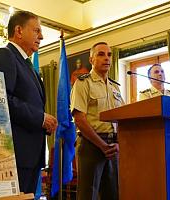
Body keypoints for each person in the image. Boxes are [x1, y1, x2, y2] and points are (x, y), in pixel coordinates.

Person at [0, 11, 58, 194]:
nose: (41, 36)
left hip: (30, 155)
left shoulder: (28, 65)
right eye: (36, 31)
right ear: (19, 30)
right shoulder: (4, 55)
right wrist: (40, 118)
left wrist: (43, 122)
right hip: (12, 156)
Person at [70, 42, 124, 200]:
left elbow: (121, 118)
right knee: (88, 195)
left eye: (109, 54)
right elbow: (79, 119)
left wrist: (119, 142)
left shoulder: (115, 87)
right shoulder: (82, 83)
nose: (106, 58)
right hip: (91, 145)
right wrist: (102, 145)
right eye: (101, 54)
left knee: (113, 195)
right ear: (91, 59)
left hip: (113, 147)